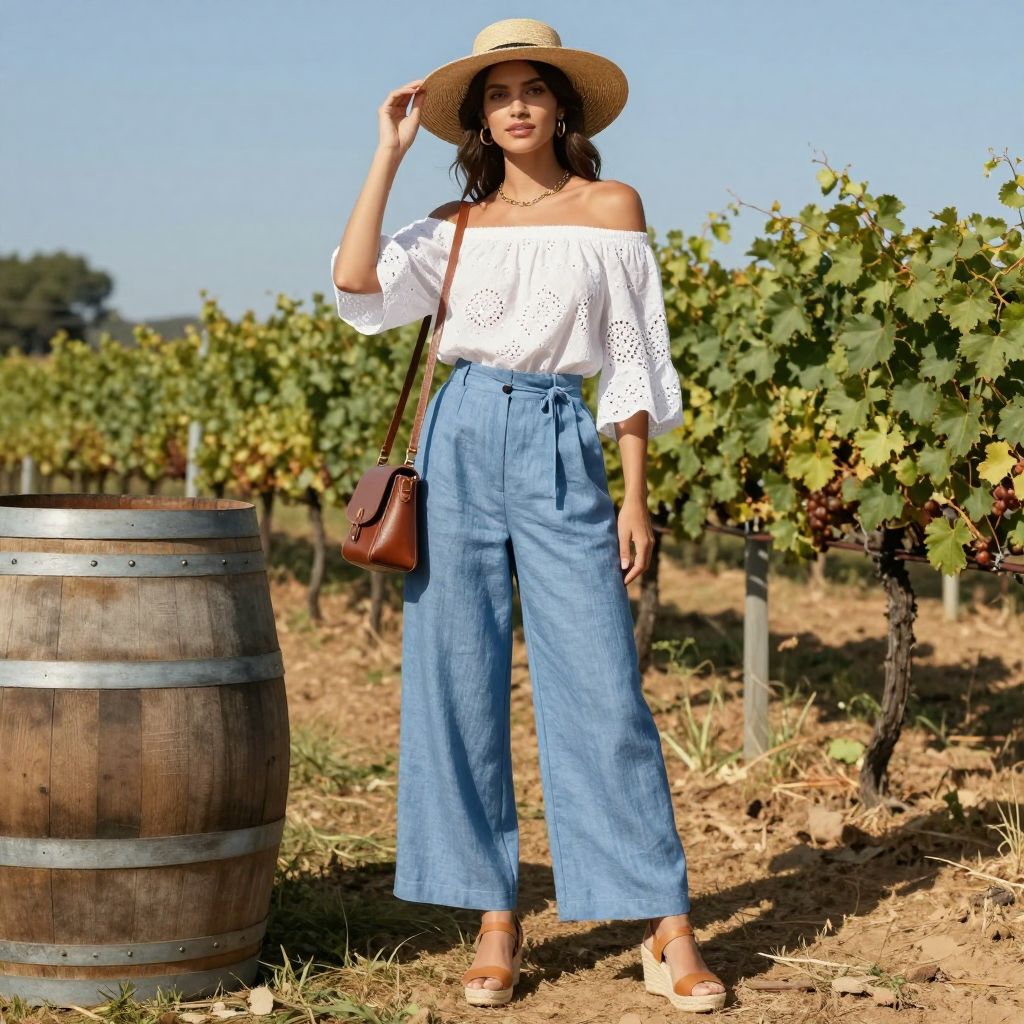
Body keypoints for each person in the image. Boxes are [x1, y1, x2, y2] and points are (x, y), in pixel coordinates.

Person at [329, 17, 726, 1014]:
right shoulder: (454, 224)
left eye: (533, 89)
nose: (516, 106)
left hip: (557, 436)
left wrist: (635, 495)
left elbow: (631, 357)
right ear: (478, 118)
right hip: (457, 437)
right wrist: (385, 153)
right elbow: (355, 281)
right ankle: (494, 917)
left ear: (561, 108)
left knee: (602, 686)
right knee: (455, 680)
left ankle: (664, 922)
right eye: (498, 93)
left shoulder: (610, 206)